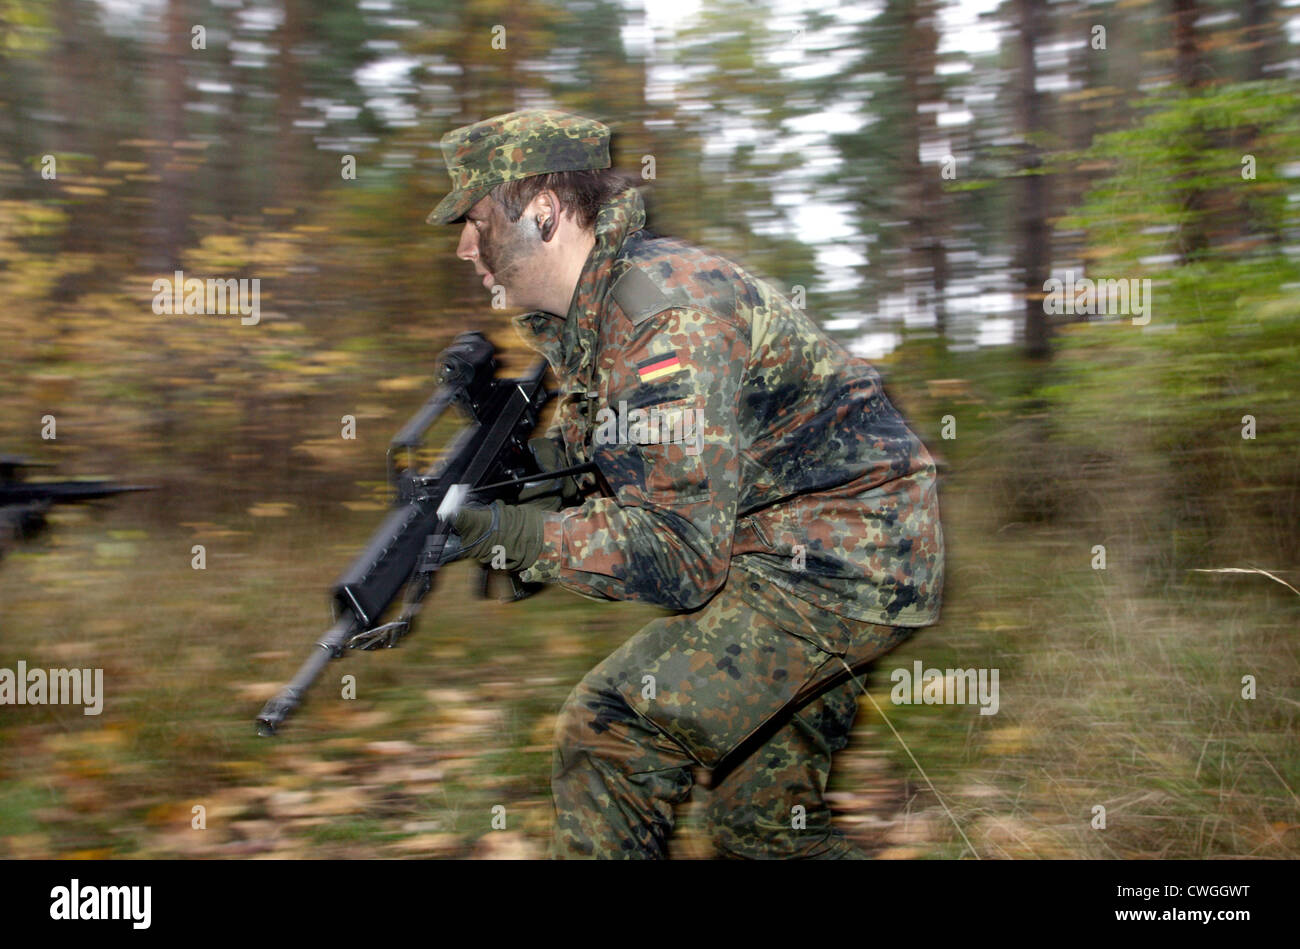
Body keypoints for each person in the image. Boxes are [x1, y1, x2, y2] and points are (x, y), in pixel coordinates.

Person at [430, 109, 944, 859]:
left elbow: (680, 555)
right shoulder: (597, 314)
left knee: (610, 734)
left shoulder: (662, 317)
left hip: (844, 556)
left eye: (475, 219)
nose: (464, 245)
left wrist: (519, 537)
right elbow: (622, 454)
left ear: (542, 212)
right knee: (763, 830)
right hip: (804, 543)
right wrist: (515, 484)